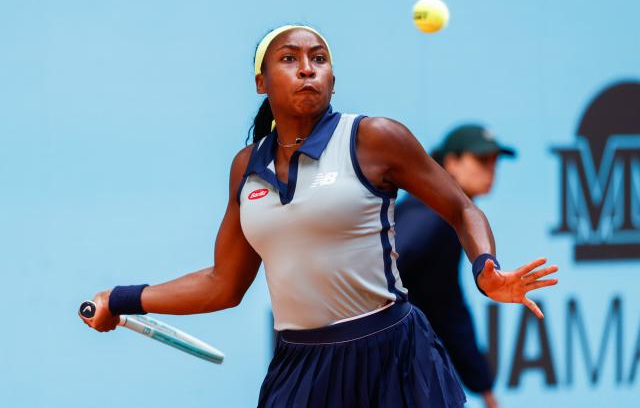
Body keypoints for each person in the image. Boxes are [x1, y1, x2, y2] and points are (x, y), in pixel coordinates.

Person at [79, 25, 558, 408]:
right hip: (301, 369)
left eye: (319, 59)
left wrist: (485, 268)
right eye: (289, 59)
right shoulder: (246, 169)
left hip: (394, 355)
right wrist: (122, 299)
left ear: (332, 77)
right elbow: (223, 284)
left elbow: (460, 207)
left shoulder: (374, 138)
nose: (307, 69)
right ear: (261, 83)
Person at [395, 125, 517, 408]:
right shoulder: (430, 216)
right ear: (451, 162)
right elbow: (379, 268)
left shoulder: (442, 214)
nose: (491, 170)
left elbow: (447, 305)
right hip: (390, 367)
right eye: (482, 160)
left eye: (495, 162)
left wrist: (482, 385)